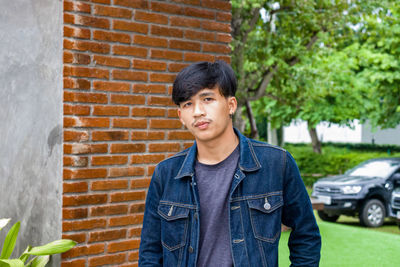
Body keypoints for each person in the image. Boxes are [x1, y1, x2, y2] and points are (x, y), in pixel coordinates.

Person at [139, 61, 321, 267]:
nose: (198, 111)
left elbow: (307, 235)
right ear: (181, 116)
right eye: (187, 104)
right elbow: (150, 252)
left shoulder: (276, 163)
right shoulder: (166, 173)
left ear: (231, 105)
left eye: (207, 99)